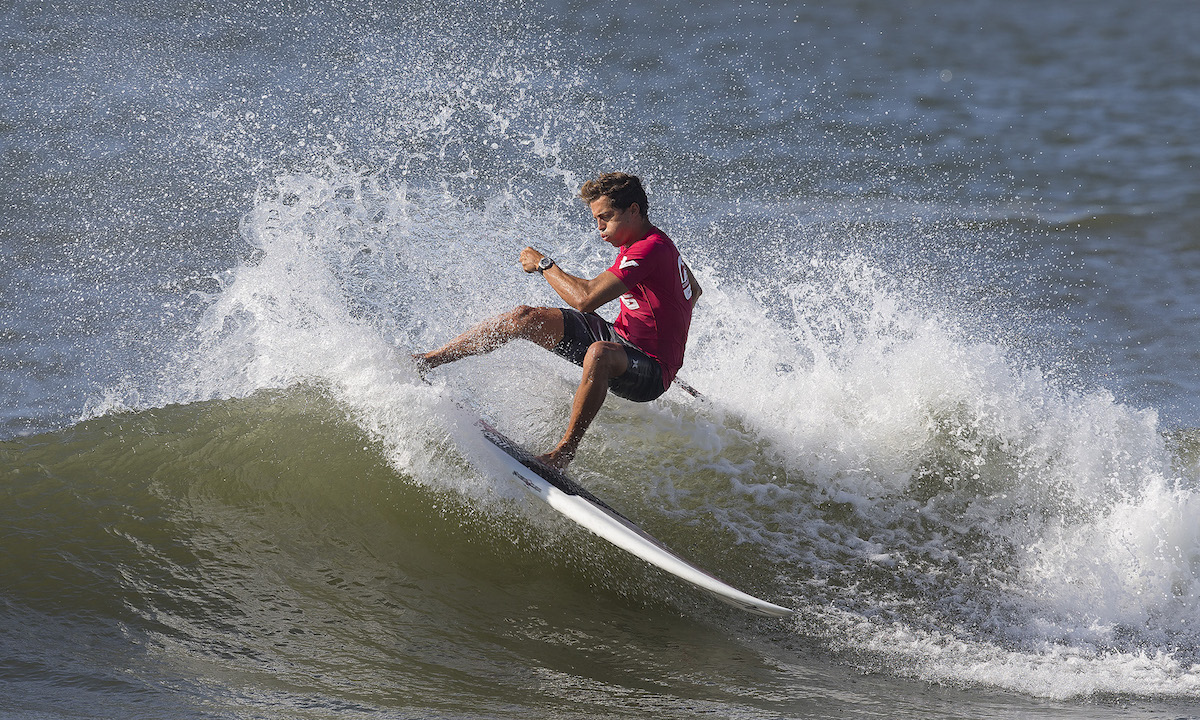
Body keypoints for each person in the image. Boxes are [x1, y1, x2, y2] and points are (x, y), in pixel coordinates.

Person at [414, 172, 702, 469]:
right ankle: (429, 360)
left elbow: (585, 299)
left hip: (649, 370)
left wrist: (544, 264)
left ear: (633, 210)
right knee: (524, 317)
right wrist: (668, 334)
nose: (600, 228)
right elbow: (693, 291)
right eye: (596, 219)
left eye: (606, 217)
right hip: (623, 341)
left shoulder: (649, 248)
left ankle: (563, 453)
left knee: (599, 353)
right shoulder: (648, 243)